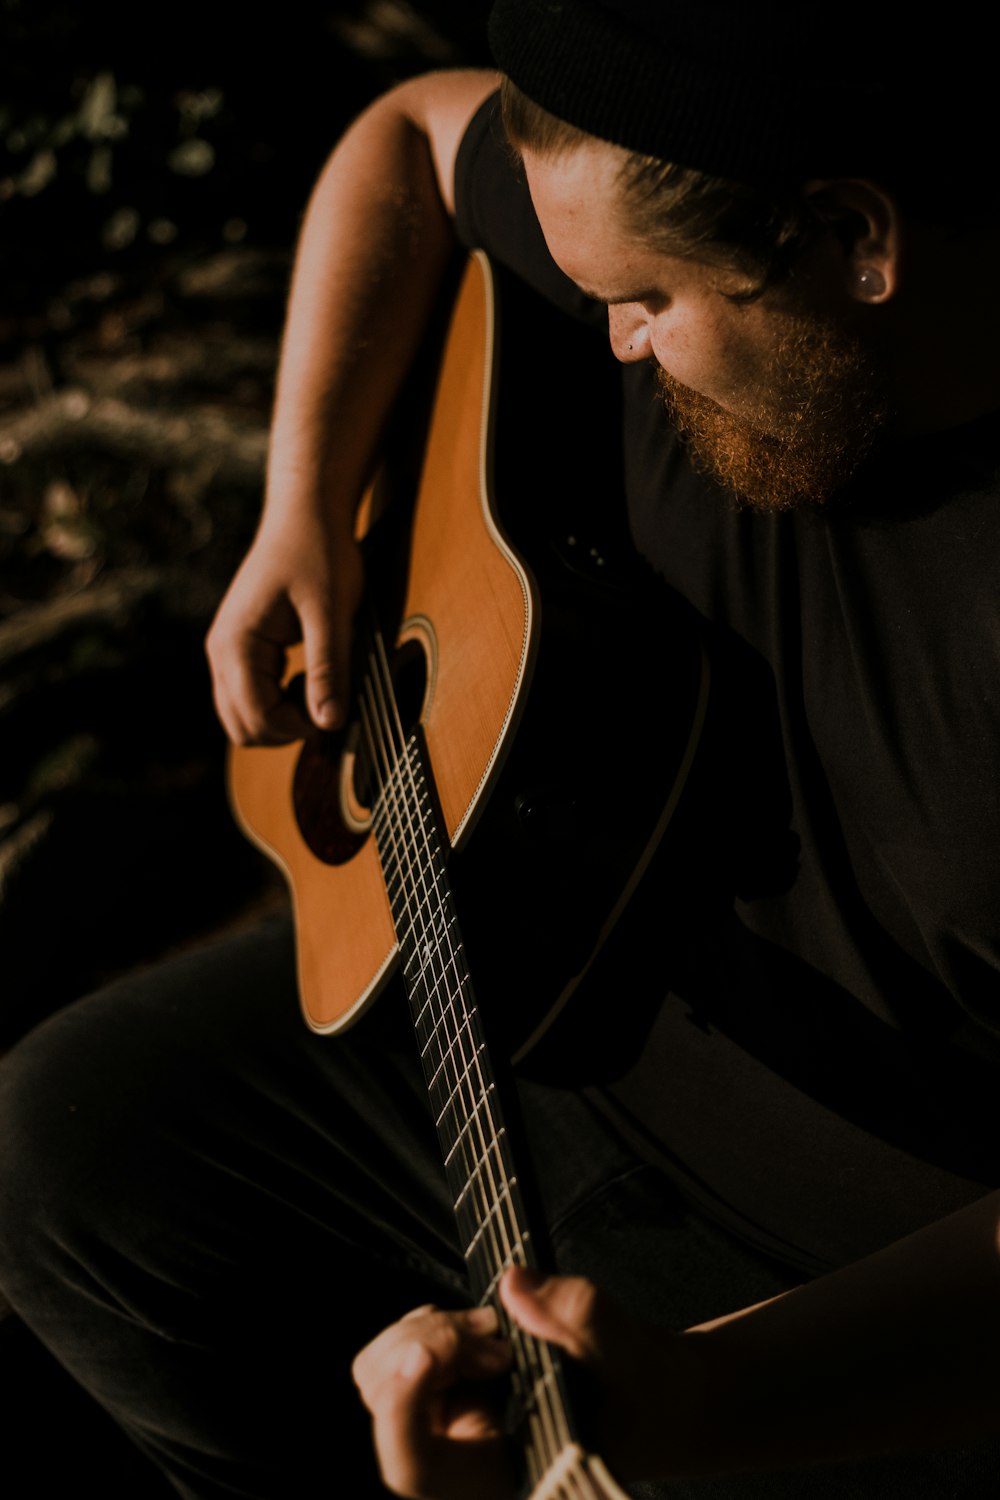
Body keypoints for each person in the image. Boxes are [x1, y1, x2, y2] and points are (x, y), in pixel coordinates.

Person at [2, 2, 1000, 1497]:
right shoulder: (673, 188)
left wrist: (724, 1393)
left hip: (854, 1265)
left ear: (856, 238)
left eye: (649, 299)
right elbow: (402, 137)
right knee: (65, 1159)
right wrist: (302, 506)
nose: (612, 339)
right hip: (552, 971)